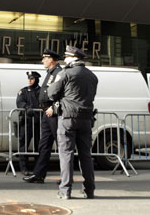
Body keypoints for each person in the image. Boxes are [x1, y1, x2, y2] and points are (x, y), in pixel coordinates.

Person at [47, 45, 98, 200]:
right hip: (86, 119)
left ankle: (65, 190)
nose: (65, 60)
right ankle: (89, 190)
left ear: (72, 58)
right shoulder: (92, 76)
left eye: (66, 57)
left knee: (66, 154)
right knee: (86, 155)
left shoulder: (65, 73)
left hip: (68, 118)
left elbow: (51, 94)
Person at [23, 49, 62, 184]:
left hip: (54, 113)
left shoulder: (58, 73)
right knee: (44, 145)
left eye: (44, 58)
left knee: (62, 144)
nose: (42, 60)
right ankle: (39, 174)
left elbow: (62, 92)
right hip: (46, 113)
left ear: (51, 59)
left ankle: (65, 176)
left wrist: (54, 106)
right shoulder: (50, 73)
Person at [16, 71, 41, 175]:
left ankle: (38, 169)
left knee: (39, 146)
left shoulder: (42, 91)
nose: (30, 81)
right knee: (23, 145)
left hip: (39, 122)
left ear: (36, 80)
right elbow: (20, 102)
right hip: (27, 122)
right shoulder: (24, 91)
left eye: (32, 79)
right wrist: (27, 107)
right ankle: (24, 168)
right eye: (29, 79)